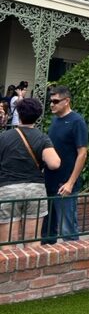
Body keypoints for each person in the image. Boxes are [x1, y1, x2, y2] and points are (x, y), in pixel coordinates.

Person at [0, 98, 60, 247]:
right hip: (35, 189)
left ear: (19, 114)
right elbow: (54, 163)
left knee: (7, 242)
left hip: (9, 189)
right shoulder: (42, 138)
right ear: (38, 116)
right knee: (32, 240)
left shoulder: (4, 137)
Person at [42, 86, 88, 244]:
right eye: (50, 102)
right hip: (49, 181)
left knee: (67, 229)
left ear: (66, 101)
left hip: (65, 184)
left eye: (55, 101)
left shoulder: (77, 121)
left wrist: (70, 182)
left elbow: (82, 153)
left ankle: (74, 265)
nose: (52, 105)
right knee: (47, 229)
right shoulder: (55, 120)